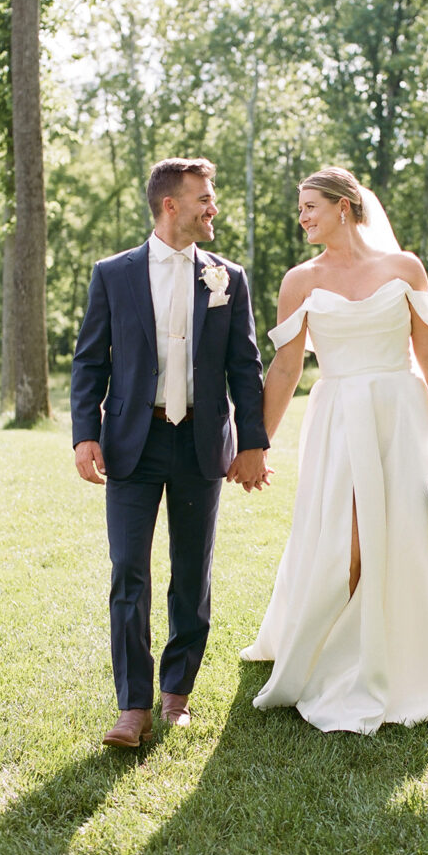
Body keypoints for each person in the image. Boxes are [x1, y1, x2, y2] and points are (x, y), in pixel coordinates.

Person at [241, 166, 428, 734]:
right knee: (345, 539)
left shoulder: (403, 267)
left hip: (399, 415)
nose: (302, 217)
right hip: (340, 419)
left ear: (345, 205)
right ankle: (320, 654)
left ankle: (391, 648)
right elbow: (287, 367)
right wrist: (257, 442)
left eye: (311, 206)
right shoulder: (299, 280)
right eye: (300, 208)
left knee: (395, 532)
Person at [71, 157, 270, 747]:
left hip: (202, 444)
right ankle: (132, 707)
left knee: (192, 573)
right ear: (171, 206)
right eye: (205, 199)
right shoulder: (113, 274)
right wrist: (85, 433)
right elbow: (89, 361)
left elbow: (245, 366)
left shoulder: (227, 276)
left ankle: (176, 695)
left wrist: (254, 442)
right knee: (128, 571)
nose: (213, 209)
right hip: (132, 442)